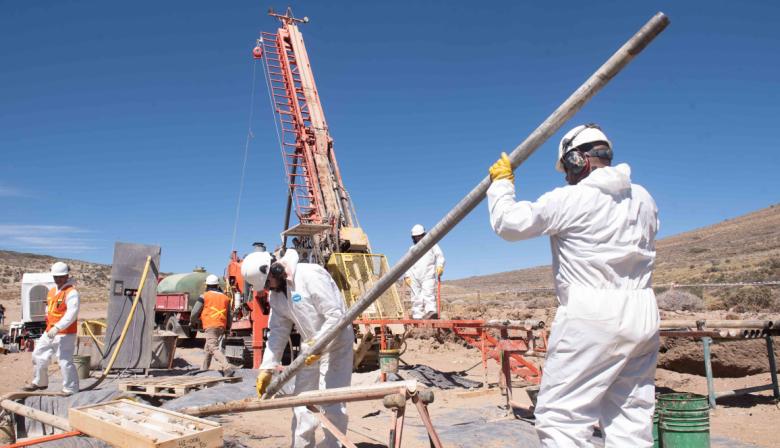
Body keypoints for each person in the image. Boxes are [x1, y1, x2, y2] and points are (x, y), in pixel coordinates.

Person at [487, 123, 660, 447]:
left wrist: (501, 185)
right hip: (643, 312)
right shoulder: (644, 199)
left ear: (578, 160)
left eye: (567, 168)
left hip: (592, 314)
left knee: (561, 420)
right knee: (631, 419)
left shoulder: (573, 198)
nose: (566, 176)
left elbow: (509, 224)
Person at [246, 249, 354, 448]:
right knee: (302, 402)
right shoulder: (277, 296)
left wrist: (319, 343)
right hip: (309, 348)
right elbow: (278, 331)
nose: (268, 289)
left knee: (332, 400)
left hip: (336, 344)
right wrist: (267, 368)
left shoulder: (310, 275)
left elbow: (336, 316)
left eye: (268, 283)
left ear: (275, 270)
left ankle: (333, 445)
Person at [23, 262, 80, 394]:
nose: (58, 279)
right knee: (38, 354)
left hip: (65, 333)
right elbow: (50, 308)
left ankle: (70, 388)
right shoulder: (53, 291)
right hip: (50, 331)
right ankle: (40, 382)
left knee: (64, 360)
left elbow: (72, 313)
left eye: (61, 276)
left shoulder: (71, 292)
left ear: (67, 276)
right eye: (55, 276)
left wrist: (58, 327)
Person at [190, 274, 235, 377]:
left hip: (211, 325)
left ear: (207, 285)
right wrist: (228, 327)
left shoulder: (204, 296)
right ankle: (204, 369)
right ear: (217, 285)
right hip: (221, 325)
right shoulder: (225, 298)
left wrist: (192, 321)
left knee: (213, 347)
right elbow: (229, 314)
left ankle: (227, 367)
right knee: (208, 347)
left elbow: (194, 312)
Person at [404, 224, 445, 319]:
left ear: (424, 235)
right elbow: (407, 263)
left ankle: (431, 311)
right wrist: (407, 276)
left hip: (428, 274)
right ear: (413, 237)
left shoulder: (432, 245)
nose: (418, 238)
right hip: (414, 275)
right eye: (416, 237)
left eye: (420, 236)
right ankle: (417, 315)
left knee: (428, 293)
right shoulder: (412, 249)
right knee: (415, 296)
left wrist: (440, 266)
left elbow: (440, 256)